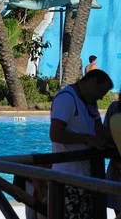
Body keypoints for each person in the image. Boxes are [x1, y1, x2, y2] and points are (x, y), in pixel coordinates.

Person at [49, 69, 113, 218]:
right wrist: (86, 139)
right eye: (101, 91)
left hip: (88, 176)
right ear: (92, 82)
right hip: (68, 177)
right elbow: (55, 134)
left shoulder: (91, 102)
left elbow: (100, 131)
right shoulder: (66, 98)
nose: (102, 96)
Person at [103, 93, 121, 217]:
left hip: (116, 165)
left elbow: (106, 137)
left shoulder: (115, 110)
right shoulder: (114, 109)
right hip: (116, 166)